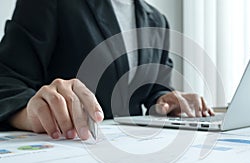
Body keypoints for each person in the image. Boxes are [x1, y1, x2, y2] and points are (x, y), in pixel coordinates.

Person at [0, 0, 214, 140]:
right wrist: (33, 113)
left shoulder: (157, 21)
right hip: (66, 147)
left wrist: (165, 100)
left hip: (133, 149)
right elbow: (6, 80)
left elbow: (153, 90)